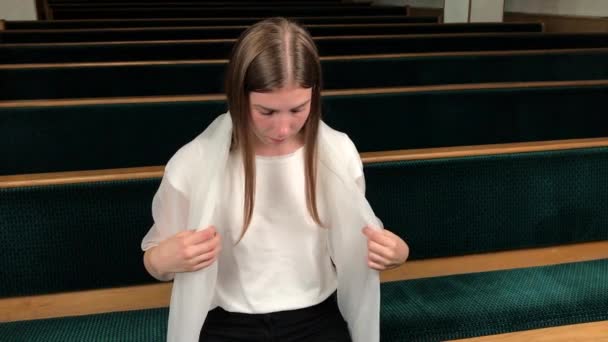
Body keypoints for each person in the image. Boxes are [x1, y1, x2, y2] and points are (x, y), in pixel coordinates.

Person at [141, 17, 409, 342]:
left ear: (315, 95)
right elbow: (158, 258)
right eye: (266, 112)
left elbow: (362, 241)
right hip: (228, 322)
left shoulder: (339, 153)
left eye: (298, 109)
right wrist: (161, 259)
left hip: (317, 316)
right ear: (239, 97)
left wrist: (396, 253)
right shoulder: (193, 162)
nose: (283, 129)